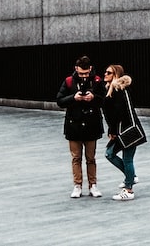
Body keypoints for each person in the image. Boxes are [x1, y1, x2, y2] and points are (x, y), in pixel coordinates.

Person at [57, 55, 106, 199]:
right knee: (76, 157)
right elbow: (59, 100)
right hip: (74, 124)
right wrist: (74, 97)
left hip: (91, 124)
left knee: (91, 158)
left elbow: (104, 100)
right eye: (81, 73)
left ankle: (93, 185)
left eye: (86, 73)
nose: (84, 76)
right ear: (76, 69)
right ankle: (77, 185)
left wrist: (94, 97)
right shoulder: (69, 81)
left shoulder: (97, 81)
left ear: (90, 69)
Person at [101, 64, 145, 201]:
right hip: (121, 131)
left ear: (115, 75)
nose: (105, 74)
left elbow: (122, 113)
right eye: (105, 72)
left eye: (108, 72)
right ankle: (131, 177)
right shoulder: (110, 89)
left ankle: (129, 189)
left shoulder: (121, 89)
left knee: (126, 159)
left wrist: (114, 130)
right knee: (110, 154)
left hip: (128, 131)